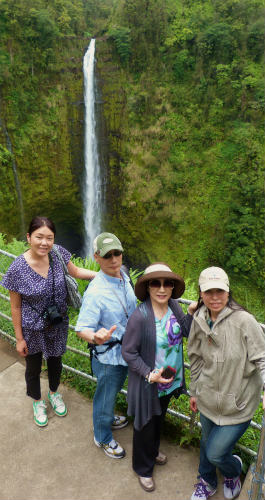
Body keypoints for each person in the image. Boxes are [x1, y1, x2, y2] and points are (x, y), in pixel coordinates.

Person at [0, 216, 97, 427]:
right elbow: (15, 307)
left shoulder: (58, 254)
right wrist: (19, 338)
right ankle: (37, 401)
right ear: (28, 237)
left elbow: (77, 272)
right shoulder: (17, 269)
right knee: (33, 367)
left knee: (55, 361)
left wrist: (103, 275)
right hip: (32, 327)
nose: (44, 243)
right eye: (39, 237)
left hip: (58, 322)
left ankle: (54, 393)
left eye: (49, 238)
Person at [188, 266, 265, 500]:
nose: (214, 297)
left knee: (216, 452)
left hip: (238, 404)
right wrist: (195, 391)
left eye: (219, 291)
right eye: (208, 291)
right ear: (200, 293)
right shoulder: (199, 321)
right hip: (208, 398)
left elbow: (262, 357)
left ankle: (233, 471)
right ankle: (207, 481)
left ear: (228, 292)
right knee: (206, 443)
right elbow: (196, 358)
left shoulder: (244, 321)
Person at [122, 262, 196, 492]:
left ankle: (152, 453)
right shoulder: (140, 316)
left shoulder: (173, 305)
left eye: (167, 283)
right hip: (149, 384)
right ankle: (142, 469)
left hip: (169, 381)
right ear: (147, 287)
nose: (162, 288)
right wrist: (148, 374)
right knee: (145, 425)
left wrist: (191, 313)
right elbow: (128, 352)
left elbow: (183, 330)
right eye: (156, 283)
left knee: (158, 420)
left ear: (173, 287)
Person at [75, 232, 137, 459]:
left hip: (126, 351)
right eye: (107, 255)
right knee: (106, 395)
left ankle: (108, 417)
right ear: (97, 257)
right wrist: (95, 337)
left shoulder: (124, 275)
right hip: (109, 357)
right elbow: (81, 328)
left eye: (117, 253)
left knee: (112, 392)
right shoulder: (96, 292)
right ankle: (102, 437)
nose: (113, 259)